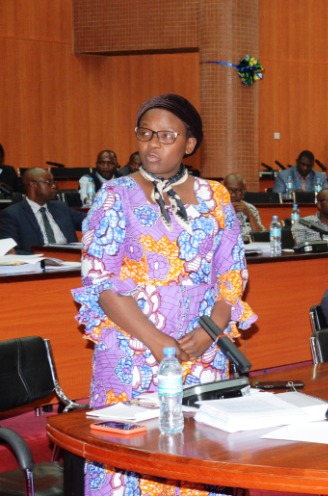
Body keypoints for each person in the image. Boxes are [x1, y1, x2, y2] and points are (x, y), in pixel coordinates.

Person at [70, 94, 257, 496]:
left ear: (189, 143)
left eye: (167, 136)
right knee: (131, 462)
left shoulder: (216, 196)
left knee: (200, 460)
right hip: (133, 351)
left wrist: (211, 332)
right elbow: (99, 281)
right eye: (145, 134)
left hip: (201, 350)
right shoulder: (115, 195)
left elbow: (231, 274)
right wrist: (158, 342)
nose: (153, 144)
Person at [0, 168, 87, 254]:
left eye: (54, 182)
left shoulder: (61, 207)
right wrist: (44, 257)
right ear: (32, 185)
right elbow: (11, 251)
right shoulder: (12, 214)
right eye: (49, 182)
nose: (54, 186)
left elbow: (90, 222)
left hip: (71, 258)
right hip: (38, 261)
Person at [223, 173, 265, 237]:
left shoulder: (251, 208)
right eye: (230, 190)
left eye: (237, 190)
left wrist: (249, 214)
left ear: (243, 191)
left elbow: (260, 236)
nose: (233, 195)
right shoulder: (215, 208)